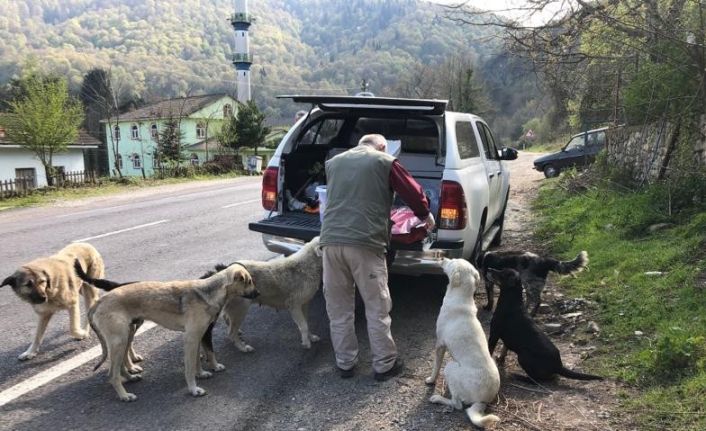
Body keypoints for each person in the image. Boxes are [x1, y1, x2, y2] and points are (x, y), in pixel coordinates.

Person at [320, 133, 435, 381]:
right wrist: (425, 215)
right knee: (376, 307)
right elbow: (413, 194)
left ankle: (345, 364)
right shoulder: (384, 162)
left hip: (329, 242)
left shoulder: (334, 162)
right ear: (383, 147)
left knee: (338, 308)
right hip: (365, 244)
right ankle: (384, 365)